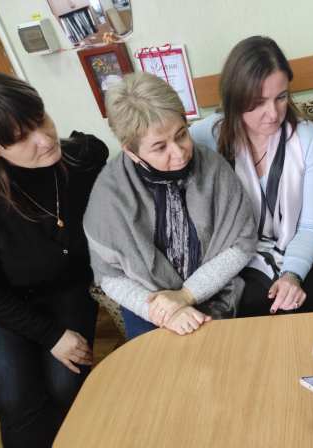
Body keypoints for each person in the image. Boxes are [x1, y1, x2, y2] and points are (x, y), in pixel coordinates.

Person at [0, 72, 108, 447]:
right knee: (20, 400)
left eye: (40, 119)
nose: (44, 139)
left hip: (62, 285)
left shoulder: (84, 158)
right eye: (20, 137)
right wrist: (51, 335)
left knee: (66, 385)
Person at [84, 72, 256, 340]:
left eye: (181, 134)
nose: (179, 152)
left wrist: (186, 295)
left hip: (215, 291)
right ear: (131, 151)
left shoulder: (213, 167)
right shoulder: (109, 193)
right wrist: (165, 312)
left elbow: (242, 244)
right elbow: (109, 275)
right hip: (149, 305)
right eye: (160, 147)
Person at [190, 36, 313, 317]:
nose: (273, 114)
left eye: (281, 97)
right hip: (242, 248)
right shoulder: (207, 136)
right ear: (235, 100)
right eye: (258, 103)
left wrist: (292, 274)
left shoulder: (309, 141)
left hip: (303, 241)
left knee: (305, 302)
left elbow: (312, 225)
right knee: (245, 306)